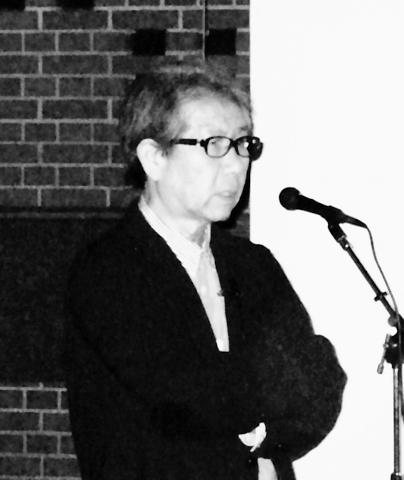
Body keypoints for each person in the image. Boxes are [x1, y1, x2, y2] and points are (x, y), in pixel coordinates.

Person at [64, 63, 346, 480]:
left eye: (243, 145)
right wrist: (271, 390)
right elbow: (183, 396)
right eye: (214, 144)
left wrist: (262, 433)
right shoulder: (108, 270)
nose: (235, 166)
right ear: (154, 158)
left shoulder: (254, 265)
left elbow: (322, 381)